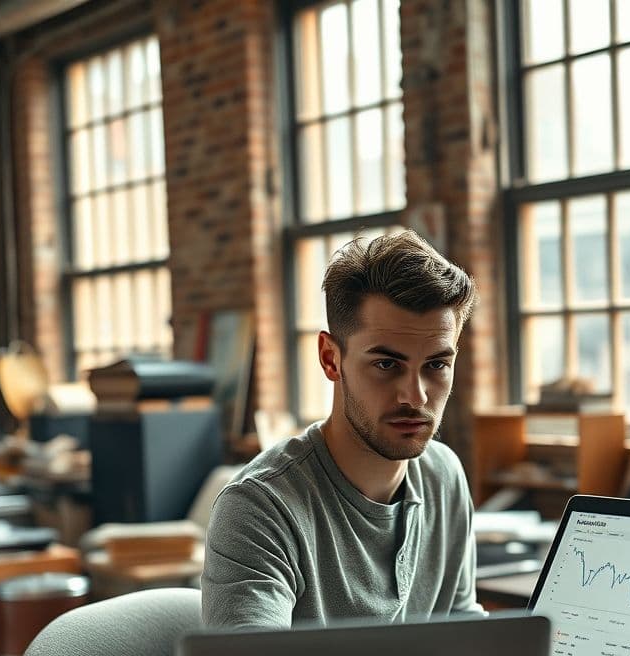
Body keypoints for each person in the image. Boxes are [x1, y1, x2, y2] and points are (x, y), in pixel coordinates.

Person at [201, 230, 481, 629]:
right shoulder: (259, 508)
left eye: (436, 365)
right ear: (331, 359)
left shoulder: (444, 476)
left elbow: (462, 629)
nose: (415, 397)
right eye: (387, 365)